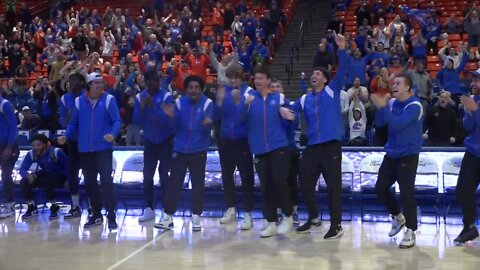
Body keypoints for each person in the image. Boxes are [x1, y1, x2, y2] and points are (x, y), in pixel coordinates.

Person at [292, 31, 347, 239]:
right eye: (312, 73)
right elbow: (290, 108)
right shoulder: (305, 98)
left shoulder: (332, 90)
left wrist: (341, 49)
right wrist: (281, 108)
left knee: (334, 187)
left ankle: (336, 225)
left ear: (325, 79)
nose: (314, 75)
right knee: (304, 183)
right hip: (312, 147)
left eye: (318, 74)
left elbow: (344, 71)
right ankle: (314, 217)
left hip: (331, 146)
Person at [59, 72, 122, 229]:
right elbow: (73, 123)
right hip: (85, 149)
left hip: (103, 148)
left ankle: (112, 215)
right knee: (90, 183)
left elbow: (117, 120)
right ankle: (96, 214)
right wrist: (66, 136)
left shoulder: (109, 100)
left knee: (106, 182)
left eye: (101, 83)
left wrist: (112, 135)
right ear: (89, 85)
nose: (100, 85)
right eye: (96, 83)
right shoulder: (79, 102)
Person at [240, 65, 296, 238]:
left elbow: (293, 120)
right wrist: (243, 107)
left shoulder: (279, 98)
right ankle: (271, 222)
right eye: (255, 78)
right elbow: (239, 122)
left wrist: (286, 113)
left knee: (280, 180)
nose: (257, 81)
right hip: (259, 148)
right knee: (266, 186)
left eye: (261, 78)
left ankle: (287, 216)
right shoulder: (248, 99)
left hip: (278, 146)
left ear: (269, 81)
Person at [154, 75, 213, 232]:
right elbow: (173, 126)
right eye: (191, 87)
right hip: (179, 149)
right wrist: (170, 117)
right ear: (186, 89)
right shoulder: (179, 103)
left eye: (196, 87)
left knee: (198, 184)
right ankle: (168, 217)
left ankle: (196, 218)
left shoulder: (208, 103)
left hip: (198, 150)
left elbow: (211, 126)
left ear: (201, 89)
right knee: (174, 184)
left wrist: (208, 124)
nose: (193, 90)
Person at [370, 73, 423, 249]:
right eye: (393, 83)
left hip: (408, 155)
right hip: (391, 154)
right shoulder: (392, 103)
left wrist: (384, 107)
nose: (394, 86)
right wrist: (379, 107)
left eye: (398, 83)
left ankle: (411, 230)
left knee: (406, 193)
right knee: (380, 188)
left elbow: (398, 124)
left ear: (407, 87)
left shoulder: (415, 106)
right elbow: (380, 124)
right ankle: (398, 217)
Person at [215, 63, 256, 230]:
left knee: (247, 178)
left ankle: (248, 213)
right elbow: (217, 117)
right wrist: (218, 102)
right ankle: (230, 208)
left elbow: (245, 118)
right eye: (231, 77)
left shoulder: (249, 93)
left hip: (242, 140)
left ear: (241, 77)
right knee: (227, 176)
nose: (233, 80)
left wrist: (240, 103)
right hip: (225, 140)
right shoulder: (223, 92)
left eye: (236, 77)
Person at [133, 69, 175, 222]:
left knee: (164, 176)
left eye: (158, 79)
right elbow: (137, 121)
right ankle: (149, 208)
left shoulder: (166, 96)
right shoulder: (140, 97)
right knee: (147, 176)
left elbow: (168, 122)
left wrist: (152, 107)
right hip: (150, 141)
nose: (156, 82)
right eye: (153, 80)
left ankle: (166, 210)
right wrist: (143, 108)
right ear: (146, 81)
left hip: (166, 141)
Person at [454, 68, 480, 245]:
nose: (474, 84)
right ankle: (469, 226)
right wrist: (469, 110)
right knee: (462, 191)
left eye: (477, 81)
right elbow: (468, 126)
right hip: (473, 152)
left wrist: (475, 110)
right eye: (473, 80)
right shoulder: (475, 100)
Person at [270, 78, 300, 226]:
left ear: (282, 90)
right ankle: (278, 211)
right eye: (272, 87)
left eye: (277, 86)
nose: (275, 89)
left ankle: (293, 212)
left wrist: (282, 110)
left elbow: (294, 123)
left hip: (289, 149)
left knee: (291, 182)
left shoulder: (289, 104)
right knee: (276, 182)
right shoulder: (266, 106)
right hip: (272, 150)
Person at [18, 135, 70, 220]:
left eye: (38, 145)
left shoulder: (56, 152)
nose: (36, 148)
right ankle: (32, 207)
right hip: (45, 175)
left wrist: (68, 180)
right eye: (33, 145)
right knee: (24, 181)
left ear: (45, 145)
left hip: (61, 176)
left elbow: (68, 168)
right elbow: (22, 169)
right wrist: (27, 175)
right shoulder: (31, 153)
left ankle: (54, 207)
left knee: (46, 180)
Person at [59, 73, 85, 219]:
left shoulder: (86, 97)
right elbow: (64, 120)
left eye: (75, 80)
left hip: (87, 141)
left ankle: (96, 206)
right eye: (70, 80)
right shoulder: (64, 98)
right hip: (73, 141)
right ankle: (75, 206)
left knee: (90, 173)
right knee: (72, 174)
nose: (72, 83)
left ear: (82, 82)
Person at [0, 96, 19, 219]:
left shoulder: (5, 104)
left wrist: (9, 147)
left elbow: (13, 127)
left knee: (6, 175)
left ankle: (10, 206)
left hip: (8, 146)